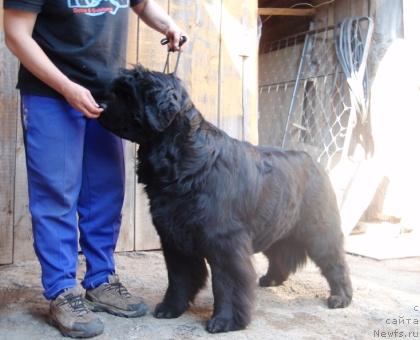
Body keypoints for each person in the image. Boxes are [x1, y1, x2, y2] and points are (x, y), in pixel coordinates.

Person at [3, 0, 186, 338]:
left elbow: (142, 5)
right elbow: (16, 33)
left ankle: (101, 280)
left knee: (105, 192)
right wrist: (66, 87)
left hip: (106, 92)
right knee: (56, 195)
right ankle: (62, 290)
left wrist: (167, 24)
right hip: (51, 93)